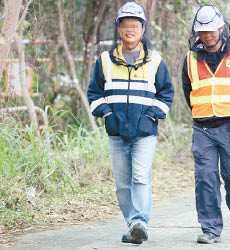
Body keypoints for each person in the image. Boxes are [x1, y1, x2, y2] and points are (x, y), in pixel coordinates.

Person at [87, 1, 174, 245]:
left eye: (135, 25)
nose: (130, 29)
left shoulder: (154, 61)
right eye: (125, 24)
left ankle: (140, 222)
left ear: (143, 29)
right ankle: (133, 224)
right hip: (116, 133)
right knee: (122, 184)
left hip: (145, 132)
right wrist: (106, 114)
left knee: (141, 178)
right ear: (118, 28)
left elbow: (166, 93)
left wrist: (151, 115)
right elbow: (94, 93)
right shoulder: (105, 60)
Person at [182, 5, 230, 244]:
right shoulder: (190, 59)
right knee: (205, 178)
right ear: (197, 33)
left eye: (212, 30)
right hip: (202, 128)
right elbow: (188, 92)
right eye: (203, 31)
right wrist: (203, 112)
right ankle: (210, 228)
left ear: (222, 28)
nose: (208, 35)